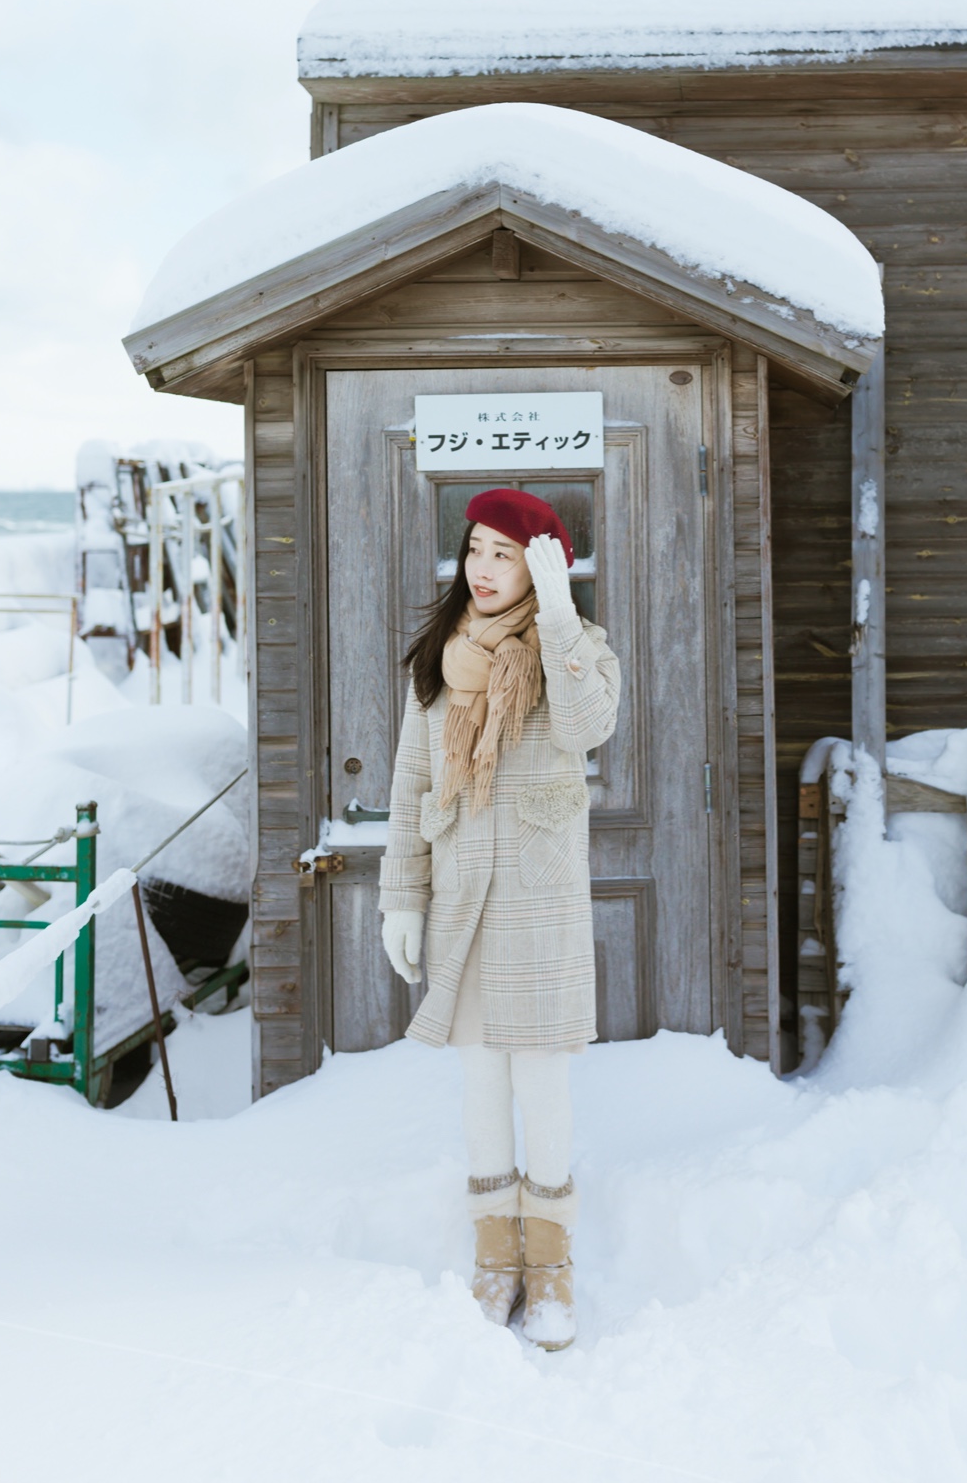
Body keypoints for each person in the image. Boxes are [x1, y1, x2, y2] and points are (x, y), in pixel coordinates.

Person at [377, 487, 619, 1350]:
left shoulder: (577, 653)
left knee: (540, 1081)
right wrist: (402, 899)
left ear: (540, 566)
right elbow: (409, 788)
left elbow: (589, 727)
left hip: (538, 899)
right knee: (481, 1078)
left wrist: (557, 615)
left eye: (504, 554)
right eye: (475, 549)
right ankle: (495, 1257)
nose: (482, 569)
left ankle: (550, 1269)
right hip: (460, 898)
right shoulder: (439, 663)